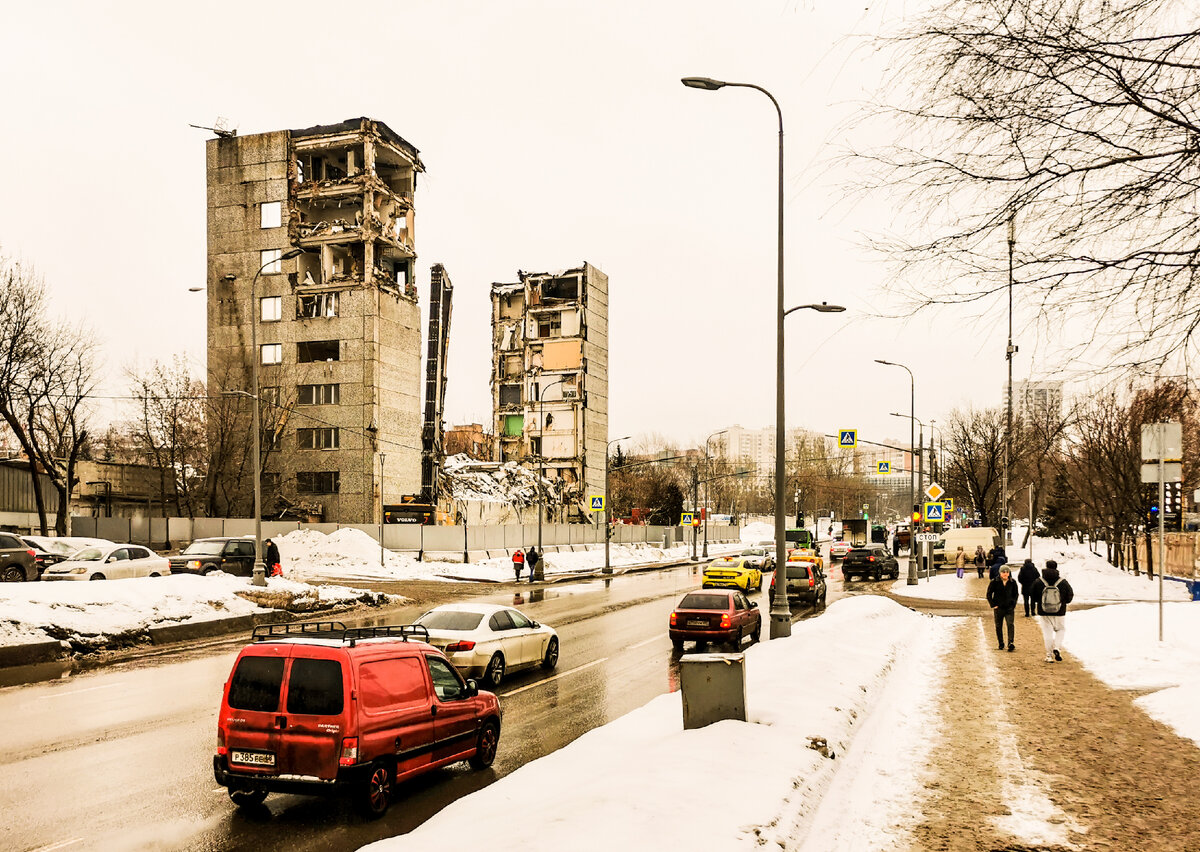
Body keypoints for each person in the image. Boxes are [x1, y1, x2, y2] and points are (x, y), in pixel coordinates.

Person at [1031, 559, 1074, 662]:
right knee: (1061, 629)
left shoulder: (1039, 581)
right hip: (1060, 612)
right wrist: (1063, 603)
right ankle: (1057, 648)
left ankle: (1049, 655)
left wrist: (1040, 603)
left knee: (1047, 633)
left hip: (1044, 612)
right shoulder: (1062, 582)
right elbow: (1070, 595)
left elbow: (1033, 595)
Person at [986, 564, 1019, 650]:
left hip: (1009, 608)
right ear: (1000, 573)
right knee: (998, 626)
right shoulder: (994, 582)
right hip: (999, 608)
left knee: (1010, 624)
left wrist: (1013, 604)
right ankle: (1001, 643)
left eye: (1007, 572)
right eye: (1003, 572)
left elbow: (1016, 594)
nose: (1005, 574)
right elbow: (989, 594)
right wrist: (993, 605)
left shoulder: (1012, 582)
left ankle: (1010, 642)